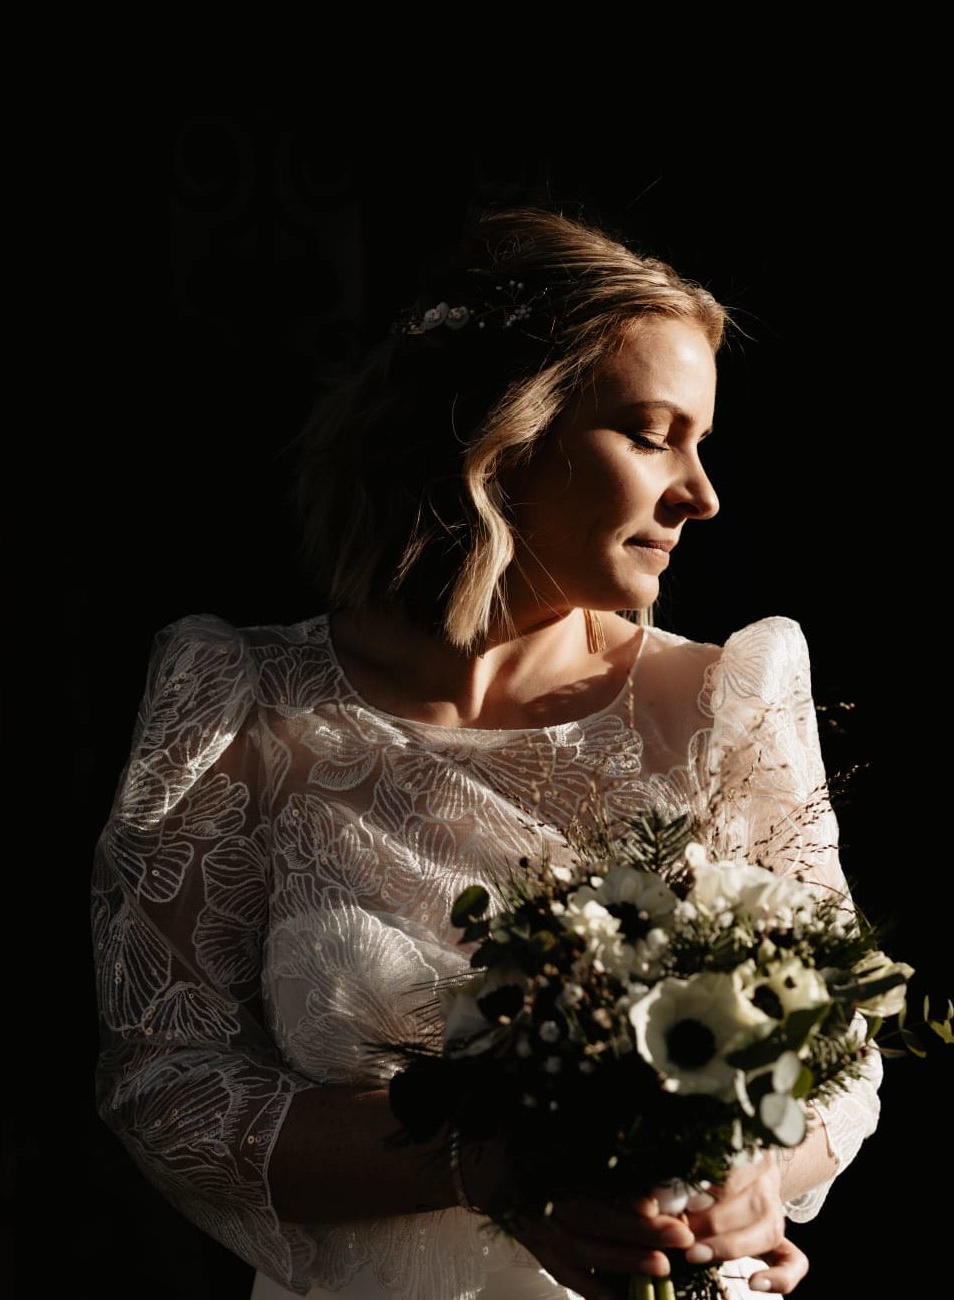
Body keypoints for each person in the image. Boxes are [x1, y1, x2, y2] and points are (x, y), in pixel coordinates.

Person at [90, 207, 884, 1300]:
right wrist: (490, 1162)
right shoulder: (238, 712)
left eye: (700, 441)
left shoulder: (720, 702)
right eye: (651, 433)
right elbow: (167, 1087)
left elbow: (841, 1044)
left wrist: (754, 1175)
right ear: (500, 438)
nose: (699, 494)